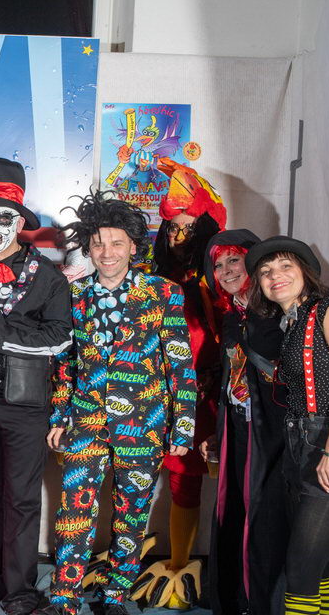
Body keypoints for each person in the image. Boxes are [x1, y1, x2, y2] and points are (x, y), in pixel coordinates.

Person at [32, 191, 196, 615]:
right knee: (74, 513)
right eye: (98, 243)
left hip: (145, 421)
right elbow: (66, 362)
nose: (107, 252)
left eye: (117, 243)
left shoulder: (163, 293)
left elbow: (180, 364)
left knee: (132, 514)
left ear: (134, 247)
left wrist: (183, 426)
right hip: (85, 421)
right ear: (88, 248)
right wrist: (60, 414)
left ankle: (115, 597)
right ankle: (64, 598)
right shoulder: (74, 294)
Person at [0, 158, 73, 614]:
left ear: (20, 224)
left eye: (2, 219)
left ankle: (21, 588)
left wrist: (5, 337)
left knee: (21, 498)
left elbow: (60, 337)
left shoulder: (47, 276)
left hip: (25, 404)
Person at [136, 157, 225, 608]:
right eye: (172, 227)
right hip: (147, 391)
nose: (177, 235)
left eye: (187, 227)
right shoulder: (152, 278)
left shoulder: (216, 283)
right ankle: (127, 557)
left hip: (199, 394)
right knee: (134, 471)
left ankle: (178, 563)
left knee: (185, 477)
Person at [247, 236, 329, 615]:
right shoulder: (291, 321)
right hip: (300, 446)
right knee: (320, 568)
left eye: (286, 266)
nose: (276, 276)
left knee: (301, 571)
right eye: (266, 271)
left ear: (305, 271)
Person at [200, 230, 288, 615]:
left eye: (234, 260)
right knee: (234, 512)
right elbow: (232, 378)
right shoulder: (232, 318)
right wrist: (219, 430)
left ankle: (262, 603)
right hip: (238, 430)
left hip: (274, 437)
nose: (226, 271)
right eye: (218, 265)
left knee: (266, 522)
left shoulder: (280, 312)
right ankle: (236, 601)